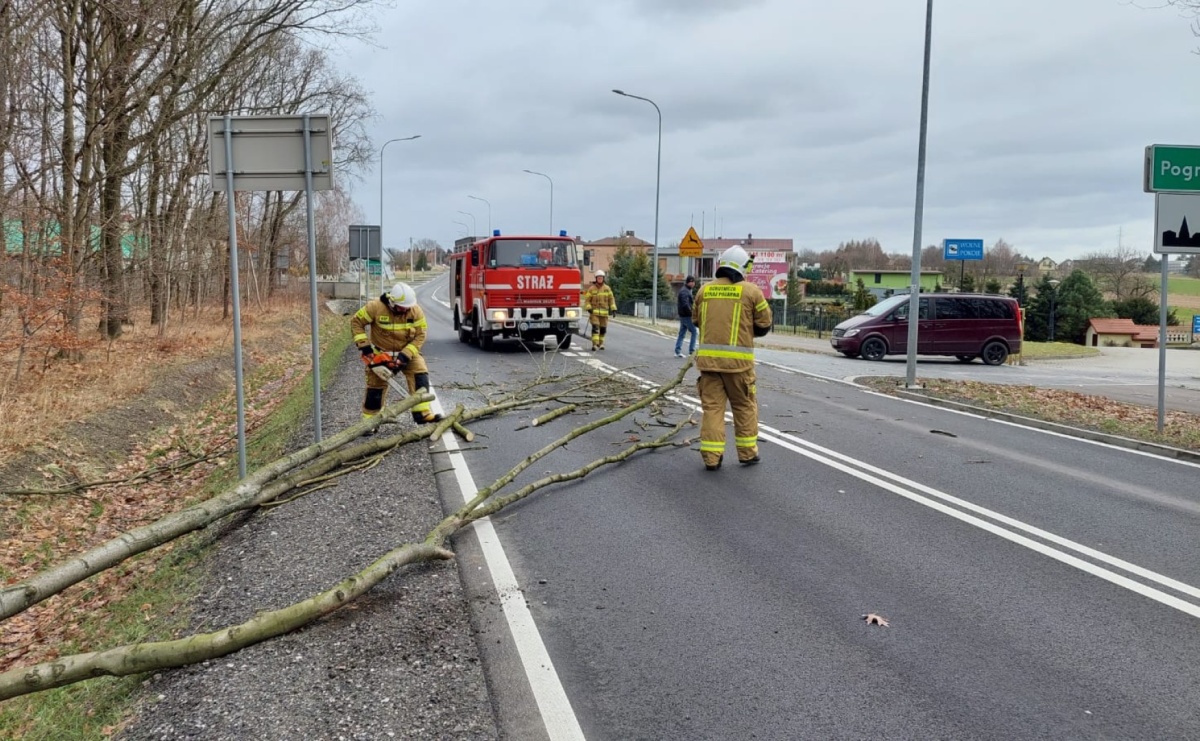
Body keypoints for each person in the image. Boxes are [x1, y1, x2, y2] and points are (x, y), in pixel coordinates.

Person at [693, 246, 773, 471]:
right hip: (739, 368)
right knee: (744, 407)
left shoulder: (704, 290)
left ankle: (711, 458)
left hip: (708, 366)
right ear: (741, 267)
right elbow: (764, 324)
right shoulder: (751, 291)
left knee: (712, 410)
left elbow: (697, 320)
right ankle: (747, 453)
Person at [350, 282, 443, 425]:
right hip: (380, 353)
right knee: (375, 388)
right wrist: (365, 347)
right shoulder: (376, 307)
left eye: (408, 308)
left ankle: (422, 413)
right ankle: (370, 422)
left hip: (407, 352)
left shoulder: (416, 311)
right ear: (392, 302)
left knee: (420, 374)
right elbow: (356, 322)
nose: (405, 310)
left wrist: (405, 355)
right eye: (402, 307)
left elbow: (421, 335)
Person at [583, 270, 616, 351]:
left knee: (603, 329)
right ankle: (594, 344)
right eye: (598, 278)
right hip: (594, 313)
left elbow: (611, 299)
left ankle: (601, 344)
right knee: (595, 327)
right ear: (596, 278)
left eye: (601, 278)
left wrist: (614, 309)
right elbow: (587, 300)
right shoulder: (591, 289)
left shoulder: (607, 289)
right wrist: (588, 308)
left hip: (604, 314)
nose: (600, 279)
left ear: (603, 278)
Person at [674, 275, 698, 357]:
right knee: (694, 331)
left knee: (682, 333)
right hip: (686, 316)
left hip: (683, 315)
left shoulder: (686, 290)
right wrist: (691, 313)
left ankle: (677, 351)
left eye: (694, 282)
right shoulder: (685, 291)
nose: (693, 284)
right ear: (689, 282)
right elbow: (685, 304)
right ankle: (691, 351)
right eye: (692, 282)